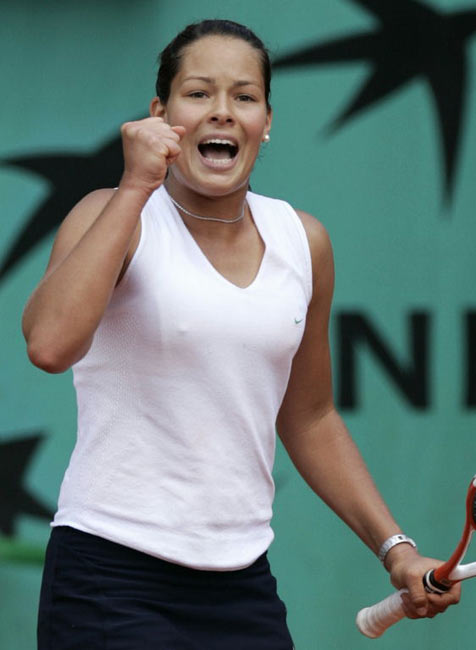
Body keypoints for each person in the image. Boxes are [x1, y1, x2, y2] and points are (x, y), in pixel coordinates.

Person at [23, 19, 459, 650]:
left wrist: (396, 549)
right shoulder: (111, 213)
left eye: (244, 97)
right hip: (107, 575)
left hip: (241, 586)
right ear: (160, 114)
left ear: (267, 121)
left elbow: (310, 417)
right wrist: (136, 185)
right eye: (198, 94)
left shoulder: (302, 241)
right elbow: (48, 346)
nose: (222, 113)